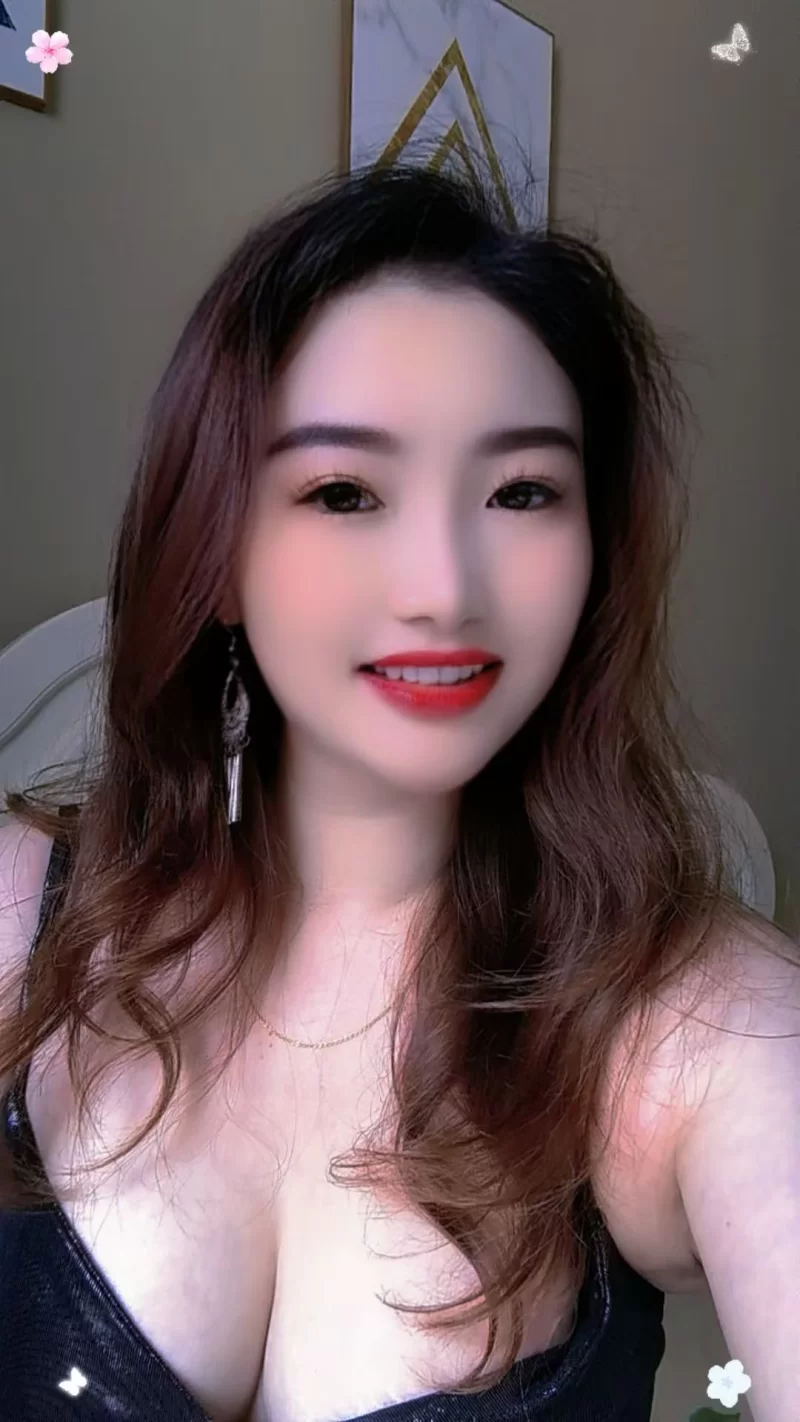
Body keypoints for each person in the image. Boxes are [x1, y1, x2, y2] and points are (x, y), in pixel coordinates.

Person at [0, 157, 797, 1422]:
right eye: (344, 492)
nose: (441, 586)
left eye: (521, 492)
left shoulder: (701, 1025)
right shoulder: (15, 916)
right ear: (216, 548)